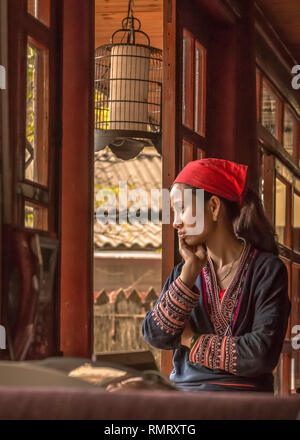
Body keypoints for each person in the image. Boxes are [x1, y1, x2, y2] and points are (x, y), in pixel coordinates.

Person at [142, 158, 291, 393]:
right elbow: (155, 335)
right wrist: (188, 274)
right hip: (186, 400)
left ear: (213, 207)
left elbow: (261, 355)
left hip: (246, 405)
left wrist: (191, 340)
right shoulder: (185, 273)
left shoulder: (268, 270)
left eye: (182, 209)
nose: (176, 222)